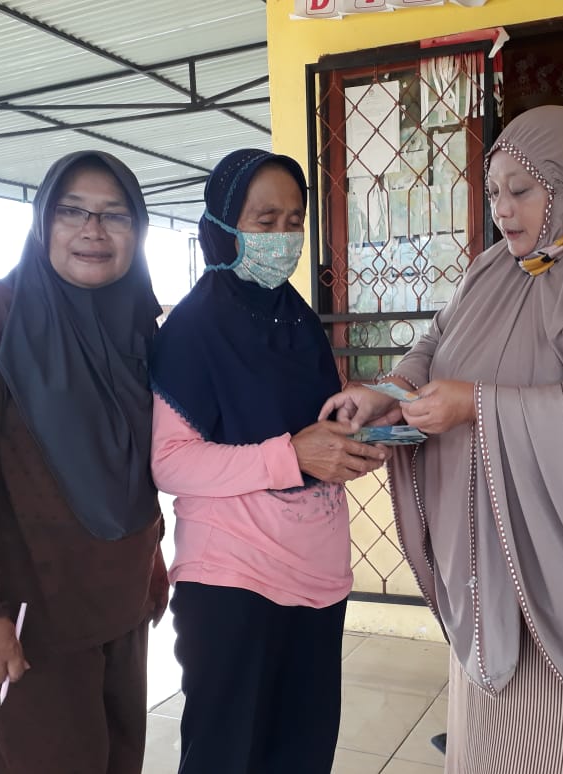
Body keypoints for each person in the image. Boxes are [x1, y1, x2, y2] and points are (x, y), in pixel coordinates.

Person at [319, 105, 563, 773]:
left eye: (523, 190)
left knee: (558, 745)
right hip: (488, 560)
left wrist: (476, 404)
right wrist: (393, 388)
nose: (503, 209)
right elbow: (438, 341)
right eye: (495, 191)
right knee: (491, 740)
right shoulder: (493, 269)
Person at [0, 150, 168, 774]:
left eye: (115, 215)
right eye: (72, 211)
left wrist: (152, 558)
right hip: (30, 624)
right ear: (42, 223)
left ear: (137, 230)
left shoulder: (140, 328)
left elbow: (137, 466)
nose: (93, 230)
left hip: (122, 606)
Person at [148, 148, 389, 774]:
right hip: (234, 579)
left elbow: (308, 430)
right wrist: (291, 455)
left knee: (302, 753)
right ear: (223, 225)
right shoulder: (194, 328)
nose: (284, 238)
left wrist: (350, 440)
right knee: (229, 756)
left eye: (294, 221)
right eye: (265, 221)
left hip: (315, 571)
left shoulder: (296, 318)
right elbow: (171, 463)